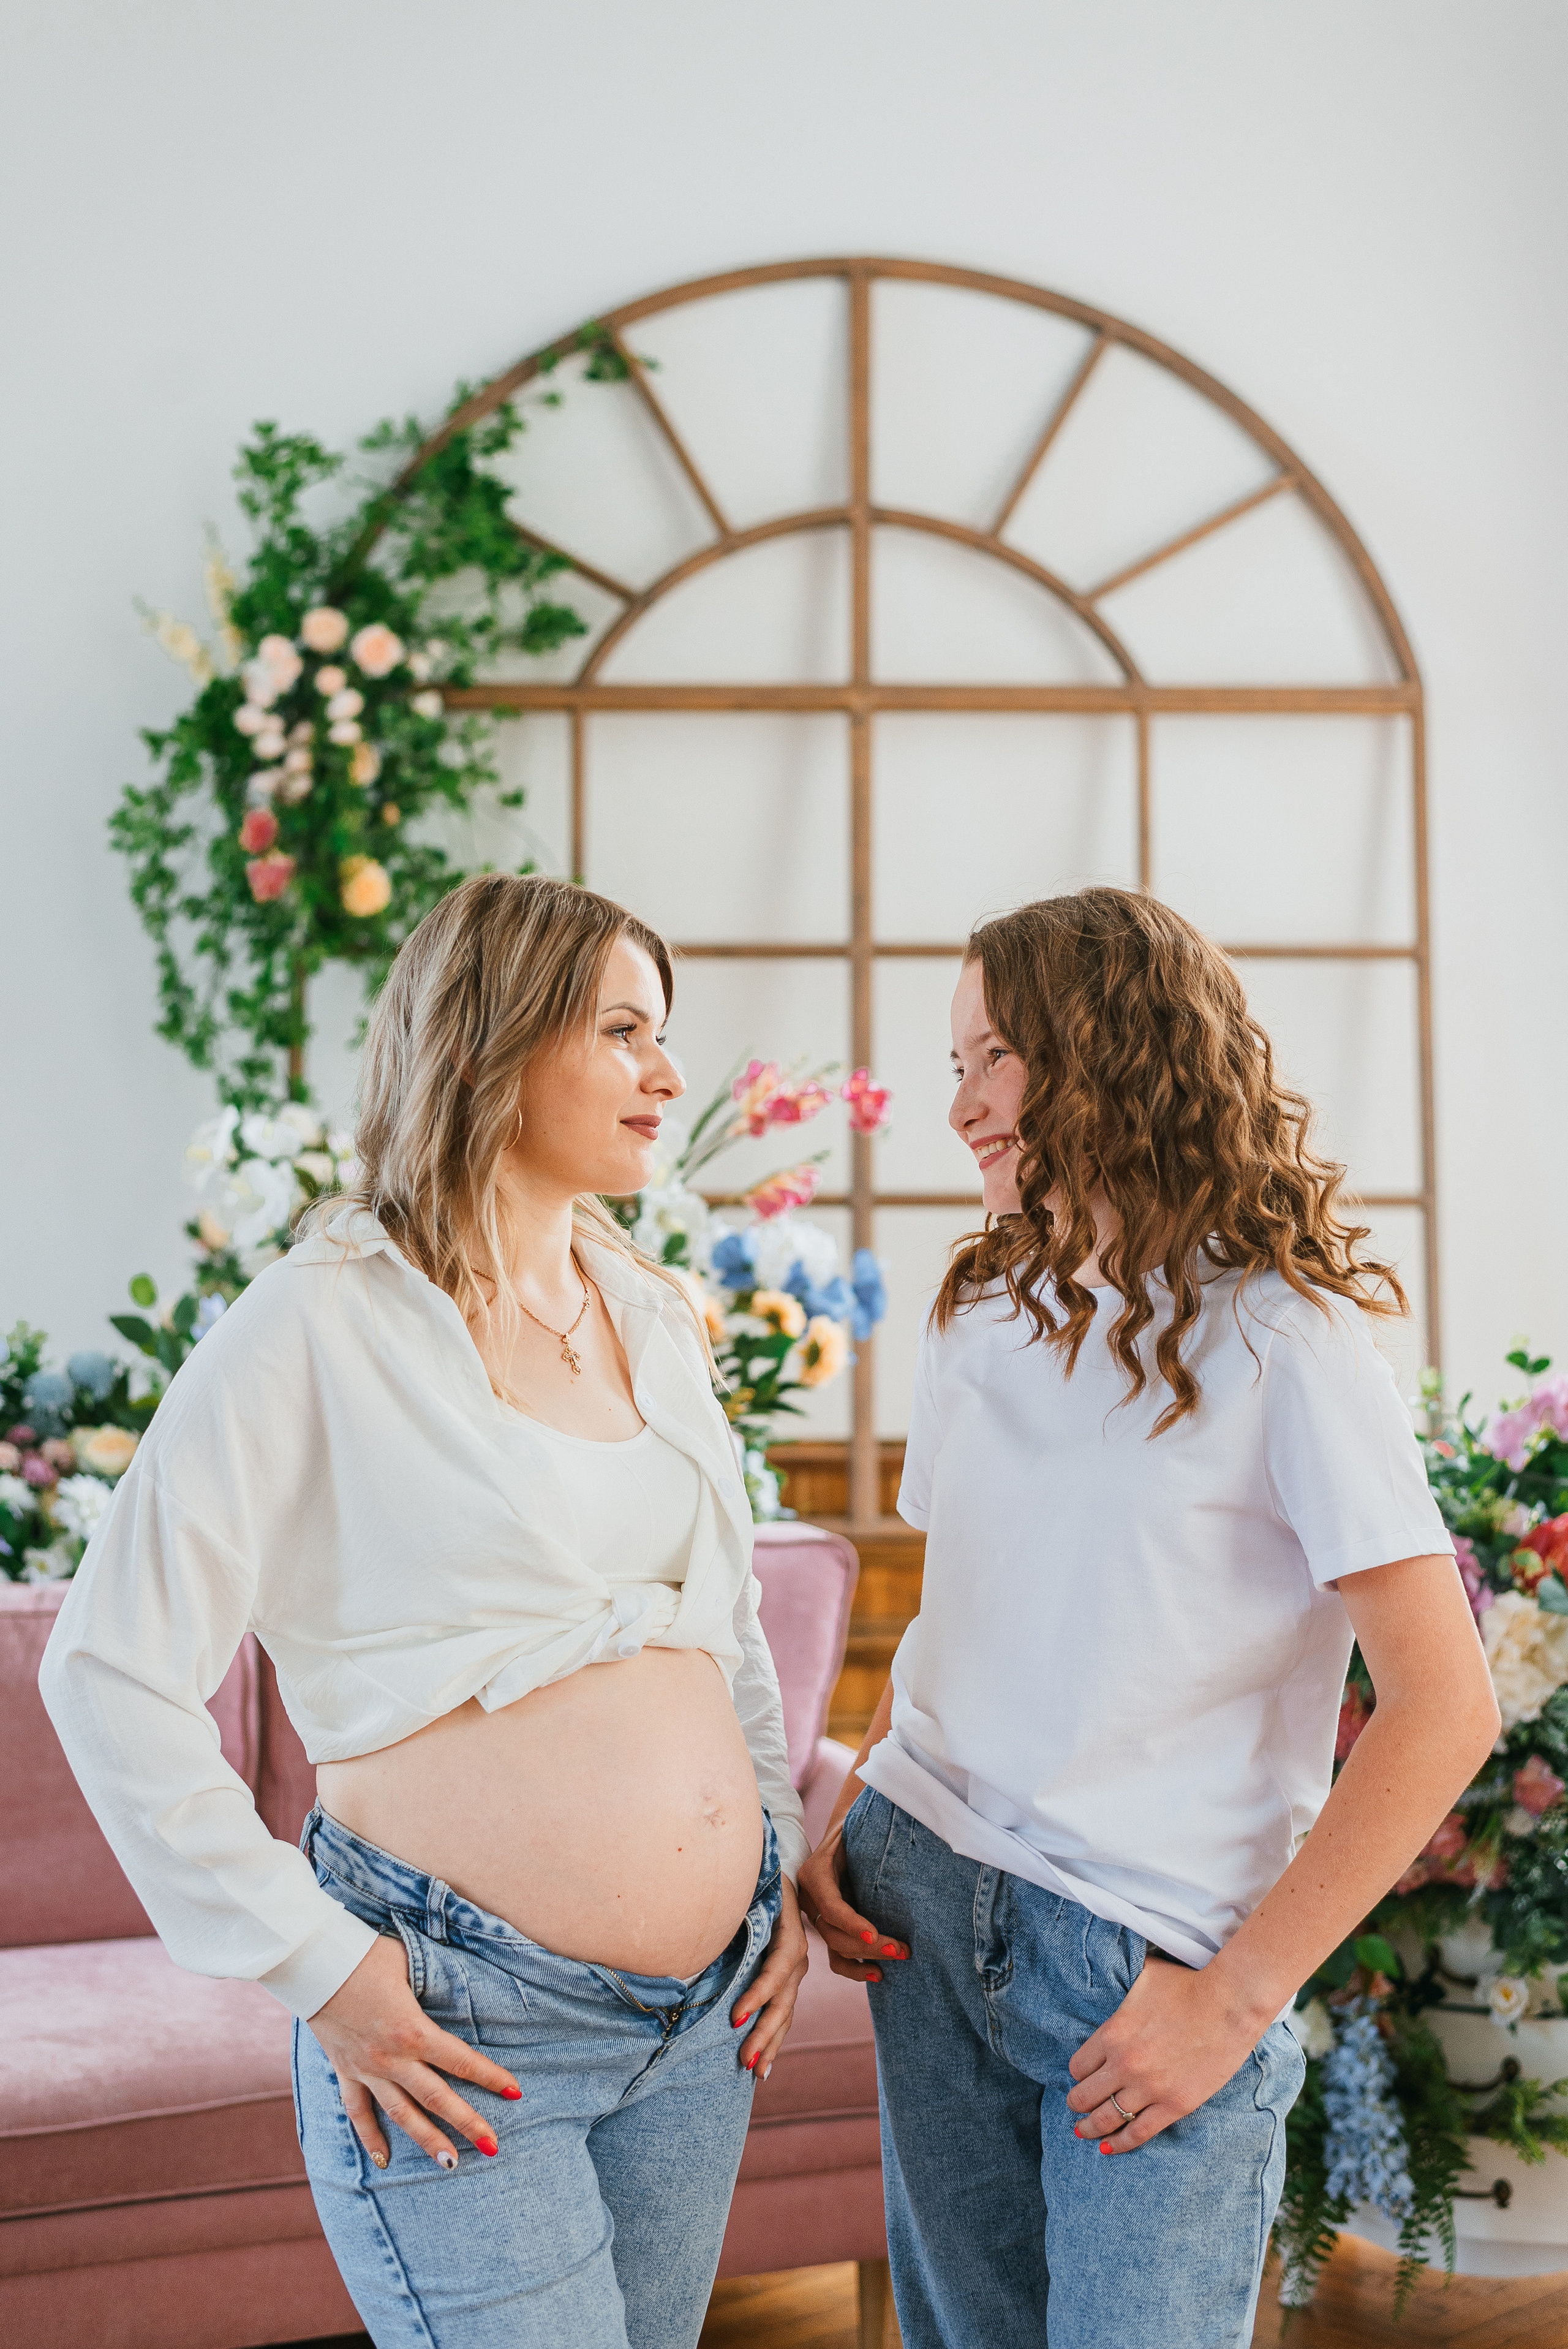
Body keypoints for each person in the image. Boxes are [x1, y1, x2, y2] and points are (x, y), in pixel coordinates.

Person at [41, 873, 810, 2349]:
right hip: (464, 2023)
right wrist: (320, 1967)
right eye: (622, 1032)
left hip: (700, 2029)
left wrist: (768, 1858)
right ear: (487, 1044)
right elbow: (111, 1668)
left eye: (667, 1033)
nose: (667, 1075)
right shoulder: (317, 1320)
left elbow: (721, 1640)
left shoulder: (646, 1314)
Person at [798, 887, 1498, 2349]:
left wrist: (1235, 1998)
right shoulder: (975, 1307)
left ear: (1112, 1053)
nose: (964, 1108)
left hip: (1140, 1963)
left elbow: (1445, 1706)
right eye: (954, 1067)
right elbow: (969, 1603)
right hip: (918, 1901)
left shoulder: (1285, 1337)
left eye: (993, 1058)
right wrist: (858, 1796)